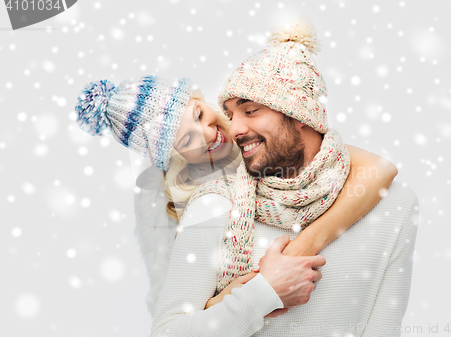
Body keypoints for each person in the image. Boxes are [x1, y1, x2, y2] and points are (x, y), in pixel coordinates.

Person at [149, 17, 419, 337]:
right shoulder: (214, 206)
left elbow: (384, 329)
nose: (234, 129)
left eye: (250, 111)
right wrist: (263, 293)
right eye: (232, 114)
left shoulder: (395, 206)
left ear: (299, 115)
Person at [74, 76, 396, 317]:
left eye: (199, 115)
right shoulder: (181, 208)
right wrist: (237, 294)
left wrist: (302, 248)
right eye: (187, 139)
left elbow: (380, 170)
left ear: (200, 100)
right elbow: (180, 315)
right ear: (173, 159)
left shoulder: (254, 130)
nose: (209, 134)